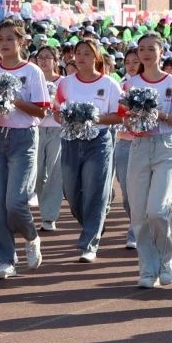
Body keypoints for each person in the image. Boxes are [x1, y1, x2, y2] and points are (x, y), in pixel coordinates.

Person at [0, 20, 49, 280]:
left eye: (10, 38)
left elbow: (41, 111)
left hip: (23, 138)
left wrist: (14, 100)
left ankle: (31, 237)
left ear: (21, 41)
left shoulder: (32, 71)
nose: (4, 43)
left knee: (15, 202)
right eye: (1, 39)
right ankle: (5, 259)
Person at [122, 33, 172, 288]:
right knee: (139, 214)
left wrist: (158, 114)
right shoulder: (130, 84)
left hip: (165, 147)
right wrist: (134, 119)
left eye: (151, 49)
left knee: (157, 210)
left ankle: (166, 260)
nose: (146, 53)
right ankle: (148, 269)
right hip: (139, 147)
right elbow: (124, 118)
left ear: (161, 52)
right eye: (141, 49)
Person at [55, 38, 121, 262]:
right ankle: (95, 222)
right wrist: (68, 119)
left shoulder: (109, 84)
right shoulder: (66, 83)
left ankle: (90, 243)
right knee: (71, 192)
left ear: (97, 57)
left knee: (95, 191)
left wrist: (93, 119)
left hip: (98, 141)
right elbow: (57, 111)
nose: (82, 57)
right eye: (79, 53)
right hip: (71, 140)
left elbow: (119, 115)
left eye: (87, 53)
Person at [32, 45, 65, 232]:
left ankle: (49, 216)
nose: (43, 60)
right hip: (36, 129)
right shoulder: (33, 78)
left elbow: (69, 104)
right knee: (37, 174)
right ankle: (45, 209)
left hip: (57, 130)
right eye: (40, 57)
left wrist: (56, 105)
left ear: (56, 61)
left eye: (47, 57)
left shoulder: (63, 82)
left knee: (54, 172)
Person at [113, 49, 142, 249]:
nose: (131, 65)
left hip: (144, 143)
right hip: (124, 142)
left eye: (135, 61)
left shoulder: (151, 85)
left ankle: (136, 230)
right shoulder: (119, 86)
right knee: (126, 189)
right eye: (128, 62)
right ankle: (136, 222)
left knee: (140, 189)